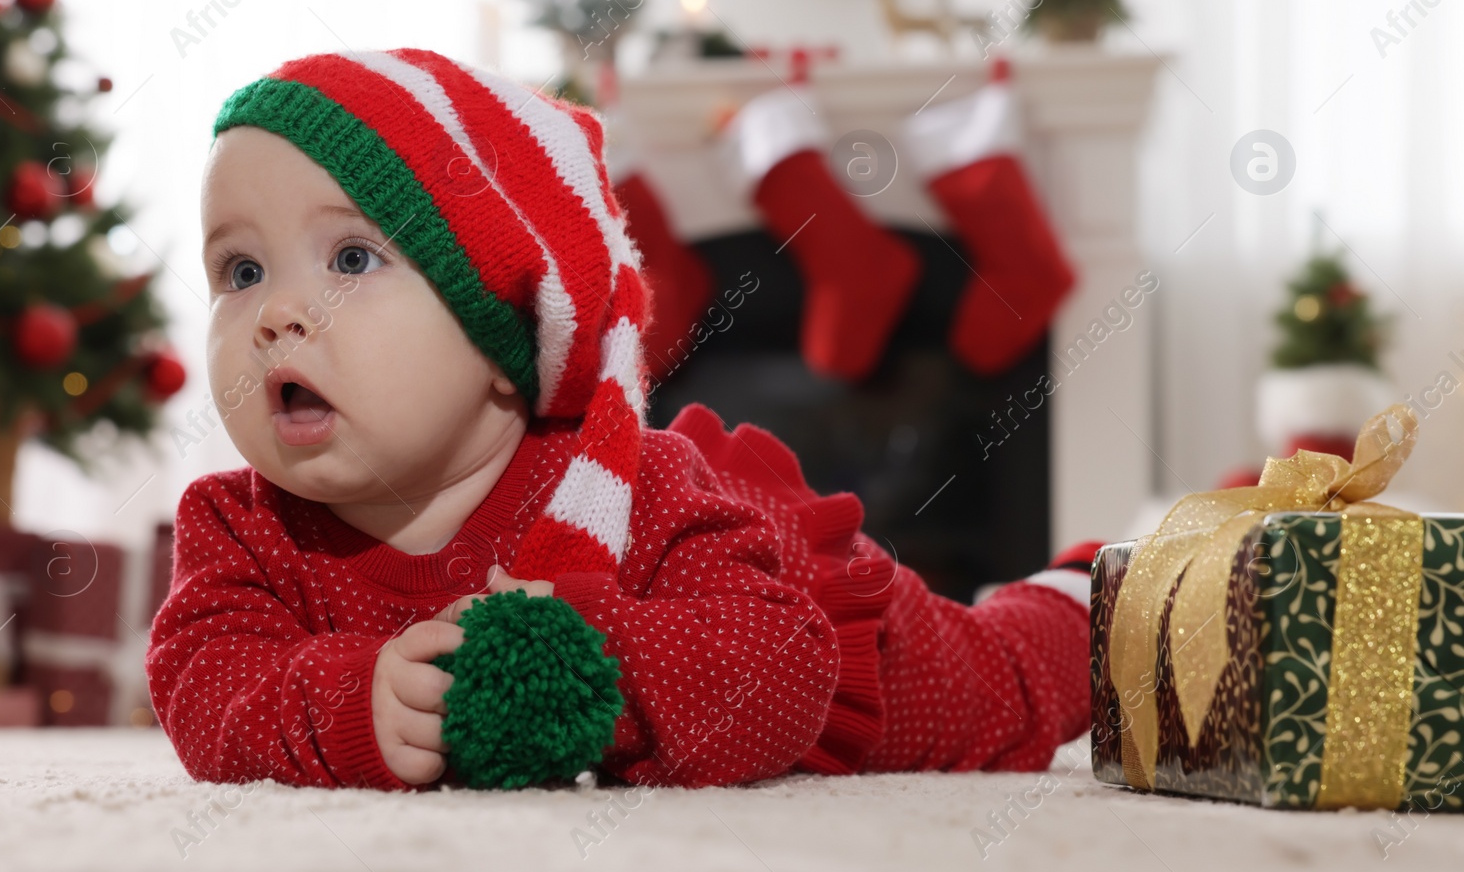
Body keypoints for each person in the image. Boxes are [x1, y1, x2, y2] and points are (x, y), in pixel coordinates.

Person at [146, 47, 1097, 791]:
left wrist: (586, 667)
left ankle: (1078, 598)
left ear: (500, 340)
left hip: (822, 617)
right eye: (240, 270)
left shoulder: (632, 494)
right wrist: (355, 701)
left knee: (1003, 686)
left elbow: (783, 668)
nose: (274, 312)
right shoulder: (241, 527)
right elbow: (205, 682)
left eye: (351, 259)